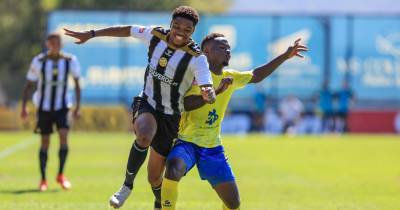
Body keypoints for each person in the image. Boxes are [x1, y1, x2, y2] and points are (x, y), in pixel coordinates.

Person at [64, 6, 216, 209]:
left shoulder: (197, 58)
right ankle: (126, 186)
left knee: (154, 178)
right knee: (143, 135)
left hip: (171, 116)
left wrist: (209, 93)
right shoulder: (155, 35)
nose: (181, 31)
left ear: (193, 32)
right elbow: (126, 29)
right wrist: (92, 34)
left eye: (187, 29)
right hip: (148, 101)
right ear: (171, 24)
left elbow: (207, 85)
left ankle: (158, 201)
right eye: (177, 26)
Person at [161, 33, 307, 210]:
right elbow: (185, 104)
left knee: (233, 203)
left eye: (228, 47)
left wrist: (285, 56)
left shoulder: (230, 76)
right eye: (221, 48)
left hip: (212, 147)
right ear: (206, 52)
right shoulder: (195, 75)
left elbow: (256, 75)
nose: (228, 51)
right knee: (173, 168)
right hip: (187, 142)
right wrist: (217, 91)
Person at [20, 33, 81, 191]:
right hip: (44, 107)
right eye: (51, 42)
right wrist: (24, 107)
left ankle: (60, 174)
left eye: (57, 42)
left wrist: (77, 107)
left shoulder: (70, 60)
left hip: (62, 106)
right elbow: (28, 85)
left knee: (63, 135)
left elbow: (77, 83)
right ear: (47, 44)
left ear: (61, 44)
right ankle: (43, 179)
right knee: (45, 141)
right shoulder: (39, 61)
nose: (54, 45)